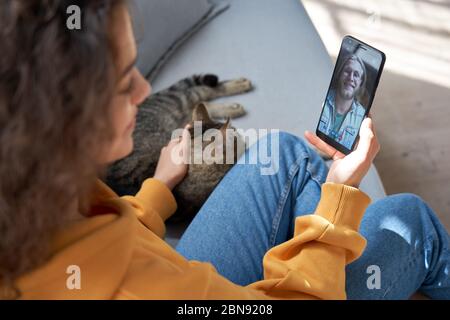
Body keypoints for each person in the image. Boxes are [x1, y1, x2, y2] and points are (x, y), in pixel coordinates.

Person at [0, 1, 448, 300]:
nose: (144, 89)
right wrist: (337, 201)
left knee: (284, 153)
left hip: (162, 267)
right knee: (410, 221)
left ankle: (321, 244)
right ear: (58, 123)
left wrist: (157, 188)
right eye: (123, 83)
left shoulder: (33, 192)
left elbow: (97, 237)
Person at [318, 54, 367, 149]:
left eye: (356, 75)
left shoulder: (362, 116)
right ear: (340, 74)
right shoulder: (322, 96)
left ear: (360, 82)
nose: (351, 78)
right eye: (347, 71)